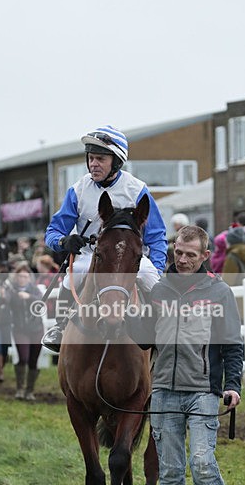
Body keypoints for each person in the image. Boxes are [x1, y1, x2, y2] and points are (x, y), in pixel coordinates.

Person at [127, 225, 243, 485]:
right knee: (171, 471)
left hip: (203, 390)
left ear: (205, 255)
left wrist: (233, 385)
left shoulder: (219, 292)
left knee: (202, 464)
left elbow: (232, 344)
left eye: (191, 254)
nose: (183, 259)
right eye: (178, 252)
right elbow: (146, 339)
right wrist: (130, 316)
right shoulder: (160, 289)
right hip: (164, 389)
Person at [42, 125, 168, 352]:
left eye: (100, 159)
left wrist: (157, 266)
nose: (93, 164)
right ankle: (60, 327)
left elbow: (157, 236)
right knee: (71, 278)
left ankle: (163, 331)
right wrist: (63, 242)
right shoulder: (78, 190)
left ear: (116, 162)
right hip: (91, 256)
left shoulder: (137, 189)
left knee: (152, 278)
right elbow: (53, 231)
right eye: (91, 158)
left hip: (129, 258)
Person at [4, 261, 44, 401]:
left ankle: (29, 390)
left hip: (36, 329)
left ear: (29, 278)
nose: (23, 279)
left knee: (33, 360)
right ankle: (20, 388)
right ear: (17, 277)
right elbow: (5, 300)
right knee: (24, 357)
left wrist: (29, 297)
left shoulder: (34, 289)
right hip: (20, 329)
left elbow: (41, 301)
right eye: (20, 276)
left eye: (25, 277)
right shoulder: (11, 290)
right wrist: (3, 294)